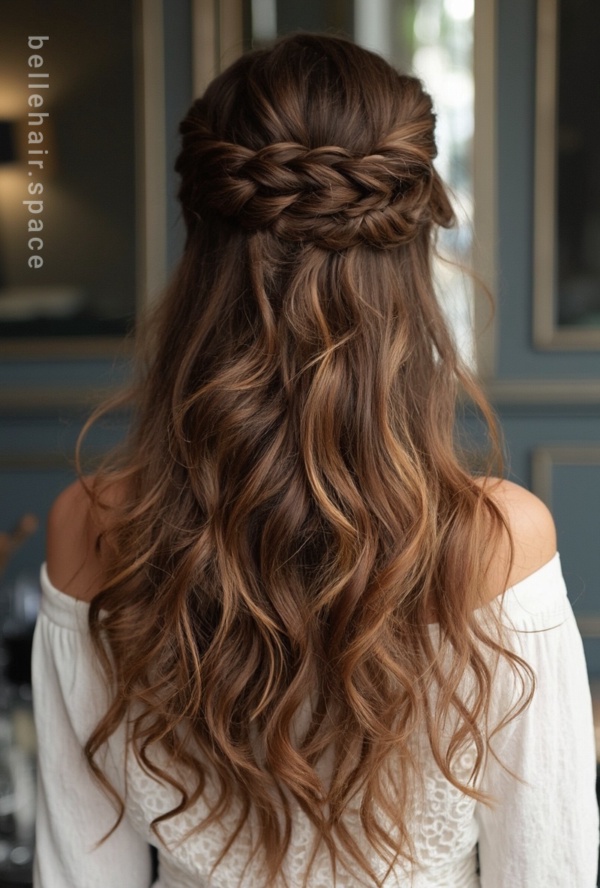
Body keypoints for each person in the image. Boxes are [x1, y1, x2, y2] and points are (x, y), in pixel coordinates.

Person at [33, 33, 598, 888]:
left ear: (198, 259)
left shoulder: (93, 528)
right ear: (411, 263)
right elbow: (548, 869)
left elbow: (79, 874)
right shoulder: (500, 539)